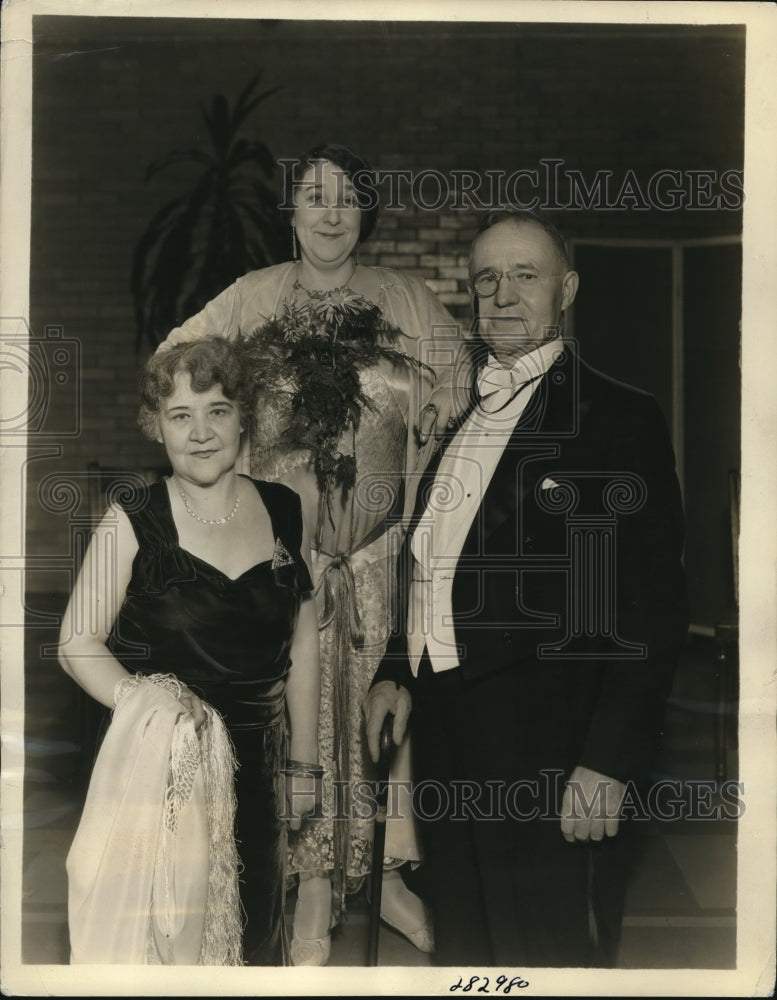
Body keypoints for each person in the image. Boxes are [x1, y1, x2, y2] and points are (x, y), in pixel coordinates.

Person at [157, 143, 466, 964]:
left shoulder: (403, 296)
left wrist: (437, 408)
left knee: (385, 705)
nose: (329, 213)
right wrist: (221, 433)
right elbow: (174, 365)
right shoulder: (254, 296)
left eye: (345, 198)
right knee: (298, 712)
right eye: (312, 197)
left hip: (380, 554)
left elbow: (460, 379)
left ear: (365, 212)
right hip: (288, 558)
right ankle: (312, 881)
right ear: (290, 214)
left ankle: (390, 873)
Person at [365, 209, 689, 967]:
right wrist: (392, 669)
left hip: (550, 738)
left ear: (566, 288)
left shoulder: (617, 417)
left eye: (524, 275)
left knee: (544, 950)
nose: (502, 296)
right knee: (465, 946)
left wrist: (608, 759)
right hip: (445, 727)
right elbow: (431, 555)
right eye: (486, 279)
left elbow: (652, 605)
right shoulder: (462, 414)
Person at [59, 336, 321, 965]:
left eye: (217, 411)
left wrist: (305, 766)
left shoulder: (284, 508)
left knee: (256, 943)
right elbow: (76, 642)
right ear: (157, 427)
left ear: (243, 419)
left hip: (260, 771)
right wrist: (148, 698)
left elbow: (303, 636)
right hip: (164, 780)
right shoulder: (133, 518)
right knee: (168, 950)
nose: (201, 432)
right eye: (180, 416)